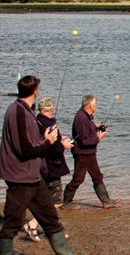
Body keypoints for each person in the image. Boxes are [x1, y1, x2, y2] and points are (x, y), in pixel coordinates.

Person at [0, 75, 78, 254]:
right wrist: (49, 141)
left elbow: (28, 143)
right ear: (35, 91)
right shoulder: (18, 111)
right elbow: (25, 150)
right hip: (21, 177)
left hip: (33, 176)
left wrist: (44, 139)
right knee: (13, 220)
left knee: (50, 218)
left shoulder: (24, 110)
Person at [63, 95, 121, 209]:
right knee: (78, 179)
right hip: (82, 154)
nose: (96, 106)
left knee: (97, 176)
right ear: (90, 105)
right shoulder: (80, 117)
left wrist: (97, 127)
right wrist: (99, 137)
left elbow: (87, 130)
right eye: (95, 105)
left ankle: (106, 201)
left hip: (89, 153)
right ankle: (66, 202)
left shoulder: (87, 116)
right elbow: (84, 141)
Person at [36, 97, 73, 209]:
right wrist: (63, 145)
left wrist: (60, 139)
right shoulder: (48, 124)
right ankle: (44, 222)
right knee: (55, 197)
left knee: (44, 194)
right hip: (52, 164)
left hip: (42, 163)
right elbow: (53, 146)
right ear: (50, 109)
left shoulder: (37, 121)